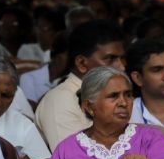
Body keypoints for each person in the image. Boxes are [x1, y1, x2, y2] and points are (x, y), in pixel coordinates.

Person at [35, 20, 125, 149]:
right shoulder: (60, 100)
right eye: (110, 59)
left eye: (122, 59)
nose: (121, 67)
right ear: (82, 63)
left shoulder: (120, 97)